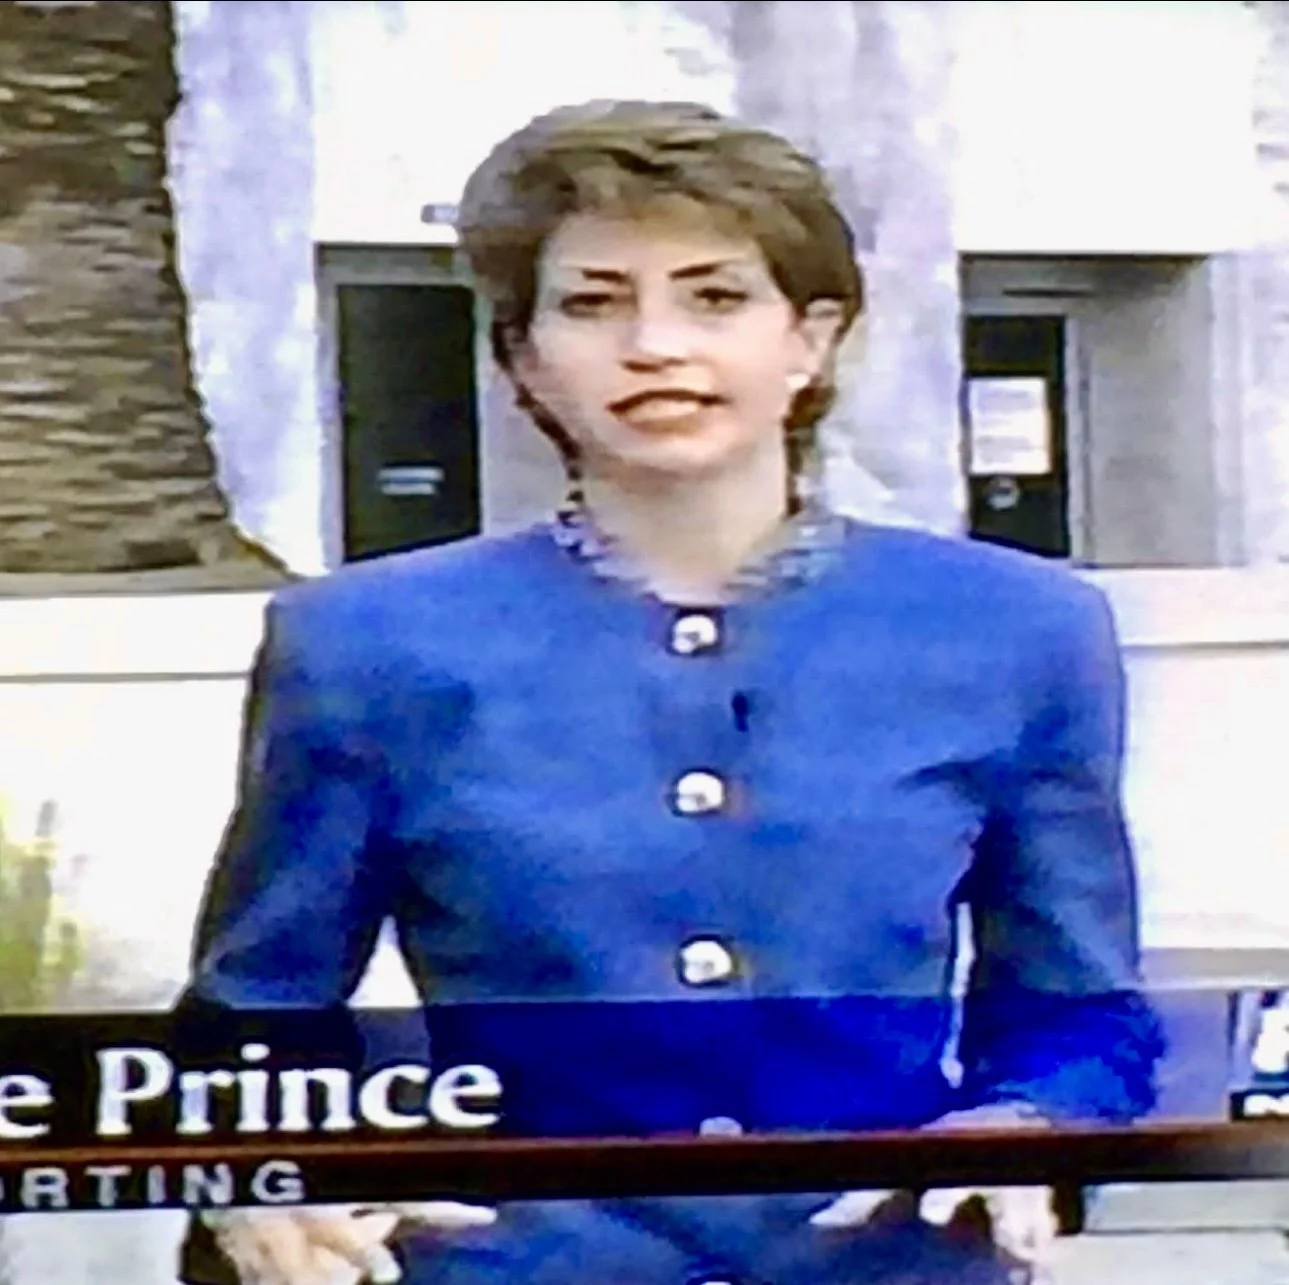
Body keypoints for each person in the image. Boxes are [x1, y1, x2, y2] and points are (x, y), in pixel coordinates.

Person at [178, 100, 1165, 1285]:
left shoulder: (1017, 629)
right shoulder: (367, 645)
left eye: (714, 297)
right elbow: (255, 1020)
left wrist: (1028, 1132)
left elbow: (1076, 1008)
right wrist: (273, 1180)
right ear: (523, 358)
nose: (654, 345)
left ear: (811, 339)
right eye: (593, 303)